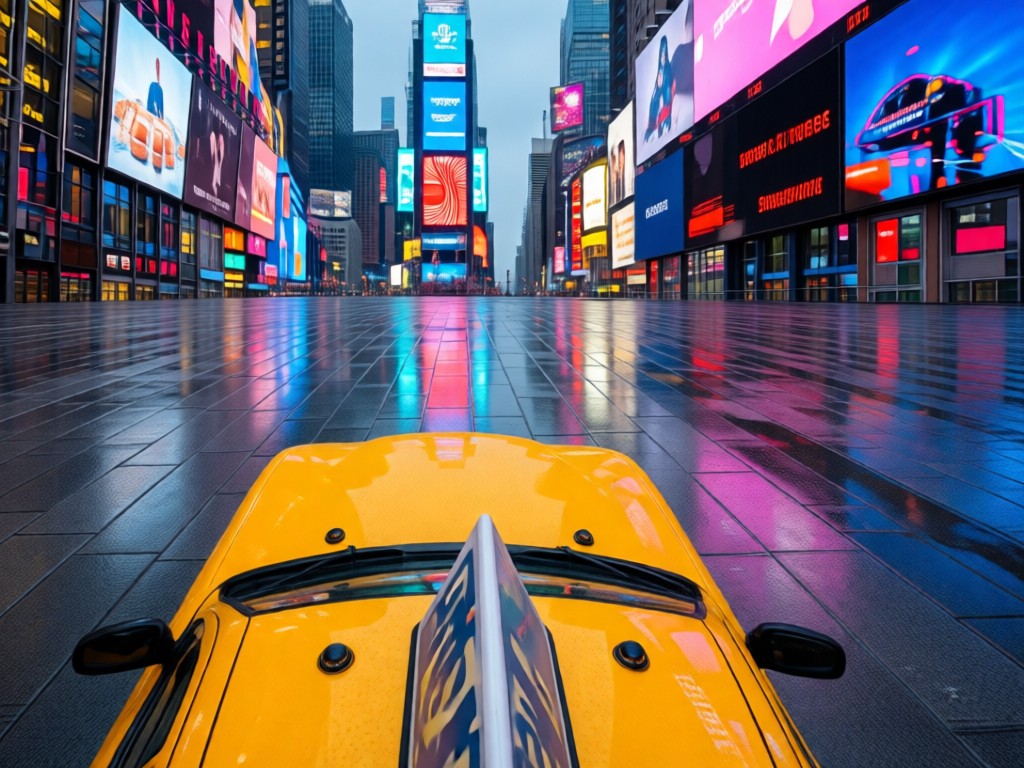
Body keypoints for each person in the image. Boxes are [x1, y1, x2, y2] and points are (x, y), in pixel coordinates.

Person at [644, 36, 674, 141]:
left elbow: (667, 92)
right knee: (655, 98)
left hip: (667, 83)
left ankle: (665, 121)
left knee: (666, 93)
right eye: (661, 55)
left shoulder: (667, 69)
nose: (663, 57)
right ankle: (654, 126)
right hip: (661, 81)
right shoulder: (660, 71)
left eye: (664, 55)